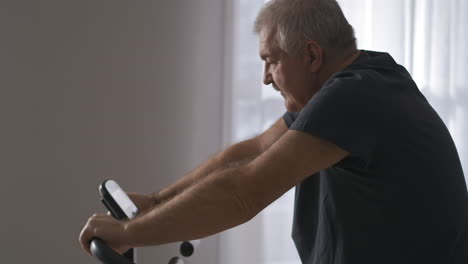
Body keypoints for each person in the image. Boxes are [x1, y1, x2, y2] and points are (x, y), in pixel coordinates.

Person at [80, 0, 468, 263]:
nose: (266, 78)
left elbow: (242, 193)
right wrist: (155, 202)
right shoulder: (355, 85)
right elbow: (249, 154)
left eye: (271, 61)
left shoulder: (356, 94)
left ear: (312, 56)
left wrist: (128, 232)